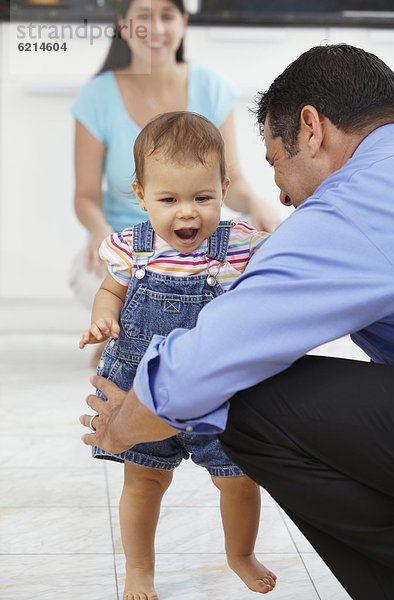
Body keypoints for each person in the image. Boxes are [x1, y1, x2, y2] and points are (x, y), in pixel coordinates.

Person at [80, 43, 394, 599]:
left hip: (154, 396)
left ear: (310, 130)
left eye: (278, 163)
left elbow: (225, 349)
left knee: (244, 397)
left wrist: (124, 423)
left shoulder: (356, 201)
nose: (280, 191)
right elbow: (113, 289)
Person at [79, 112, 276, 600]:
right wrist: (104, 319)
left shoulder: (241, 246)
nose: (187, 213)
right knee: (143, 483)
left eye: (202, 198)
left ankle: (240, 554)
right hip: (142, 391)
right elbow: (110, 292)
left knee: (238, 479)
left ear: (224, 188)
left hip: (217, 390)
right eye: (169, 199)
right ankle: (140, 571)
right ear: (141, 194)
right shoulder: (132, 250)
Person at [70, 0, 280, 344]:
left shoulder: (211, 86)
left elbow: (235, 180)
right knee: (105, 278)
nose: (156, 27)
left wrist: (258, 204)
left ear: (183, 22)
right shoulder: (97, 95)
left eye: (167, 15)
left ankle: (170, 341)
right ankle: (126, 335)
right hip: (123, 236)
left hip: (196, 235)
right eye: (142, 16)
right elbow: (85, 196)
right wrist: (100, 234)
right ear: (123, 24)